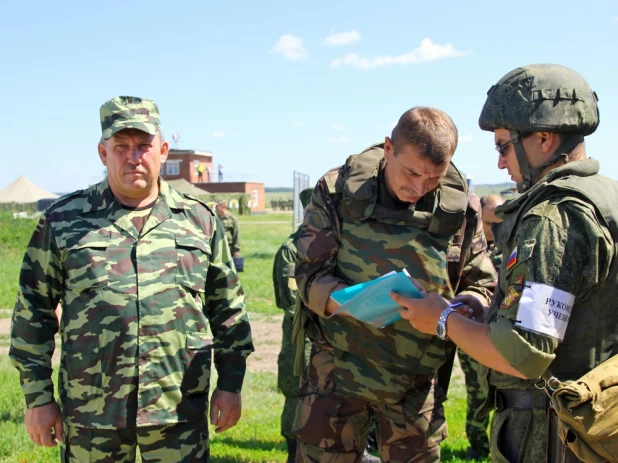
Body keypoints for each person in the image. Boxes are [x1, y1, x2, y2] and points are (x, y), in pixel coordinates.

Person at [392, 64, 618, 462]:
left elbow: (523, 354)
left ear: (544, 140)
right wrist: (487, 310)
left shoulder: (553, 218)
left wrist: (442, 319)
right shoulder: (604, 196)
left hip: (554, 437)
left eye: (503, 146)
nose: (500, 163)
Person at [9, 95, 254, 462]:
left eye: (143, 146)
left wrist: (230, 384)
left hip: (178, 411)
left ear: (163, 150)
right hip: (92, 413)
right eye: (121, 147)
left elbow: (228, 309)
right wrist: (38, 398)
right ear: (102, 153)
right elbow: (33, 312)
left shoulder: (200, 221)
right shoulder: (62, 222)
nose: (133, 157)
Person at [294, 106, 497, 462]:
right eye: (411, 172)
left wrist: (458, 309)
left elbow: (482, 285)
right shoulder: (338, 191)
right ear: (389, 149)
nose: (419, 188)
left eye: (434, 178)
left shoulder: (460, 207)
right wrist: (351, 302)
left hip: (416, 379)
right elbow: (308, 274)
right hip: (337, 369)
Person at [272, 188, 313, 463]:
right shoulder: (291, 251)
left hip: (341, 344)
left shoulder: (345, 244)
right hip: (303, 343)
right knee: (298, 398)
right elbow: (290, 303)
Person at [480, 194, 505, 268]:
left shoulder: (511, 246)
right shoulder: (466, 243)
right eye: (488, 224)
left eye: (499, 225)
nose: (493, 230)